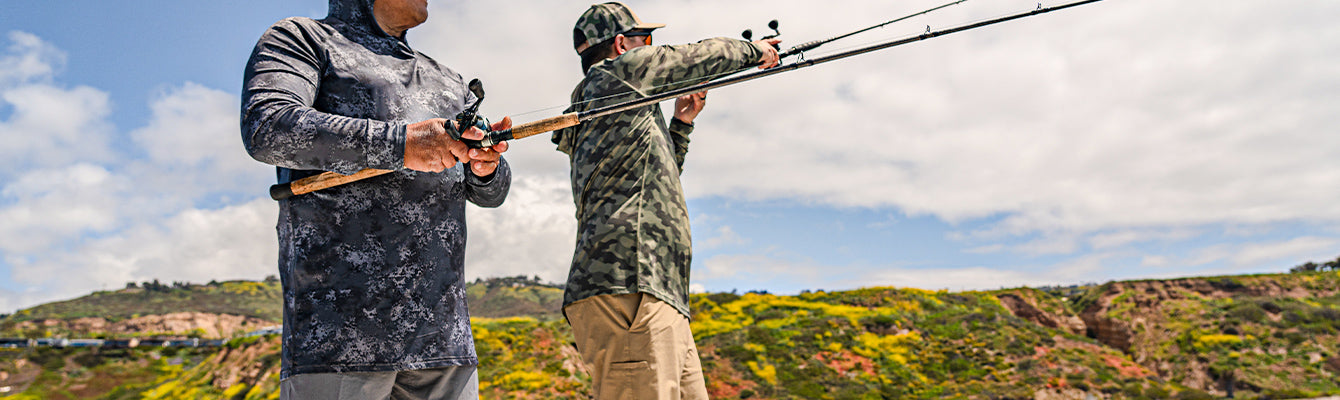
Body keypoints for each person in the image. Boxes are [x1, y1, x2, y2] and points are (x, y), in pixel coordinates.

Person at [240, 0, 511, 398]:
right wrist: (403, 144)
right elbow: (268, 126)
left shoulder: (449, 80)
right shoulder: (302, 38)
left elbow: (493, 191)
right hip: (337, 343)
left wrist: (485, 167)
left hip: (444, 345)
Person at [552, 2, 780, 399]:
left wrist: (681, 124)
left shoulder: (605, 103)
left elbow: (658, 176)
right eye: (647, 42)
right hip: (632, 287)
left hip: (651, 290)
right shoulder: (618, 73)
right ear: (623, 45)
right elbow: (698, 57)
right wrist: (756, 50)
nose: (652, 50)